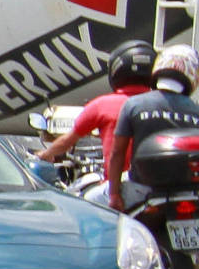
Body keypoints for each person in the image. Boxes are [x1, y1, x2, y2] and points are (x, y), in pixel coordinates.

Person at [53, 40, 155, 206]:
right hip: (163, 187)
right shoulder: (164, 103)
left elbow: (67, 141)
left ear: (116, 70)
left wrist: (43, 155)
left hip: (125, 186)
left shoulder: (103, 104)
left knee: (78, 204)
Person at [113, 43, 199, 215]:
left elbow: (117, 153)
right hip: (188, 191)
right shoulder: (196, 111)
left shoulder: (134, 104)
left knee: (88, 198)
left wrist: (114, 194)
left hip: (142, 189)